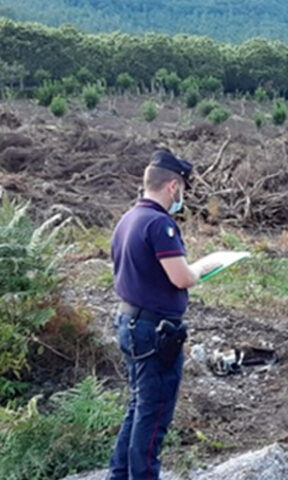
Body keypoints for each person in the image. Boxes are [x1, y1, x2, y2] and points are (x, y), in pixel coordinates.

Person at [108, 149, 220, 480]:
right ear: (173, 187)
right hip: (154, 333)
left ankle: (119, 475)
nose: (182, 197)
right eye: (182, 190)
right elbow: (182, 277)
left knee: (138, 408)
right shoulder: (159, 224)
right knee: (153, 418)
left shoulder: (128, 219)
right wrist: (204, 266)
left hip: (130, 323)